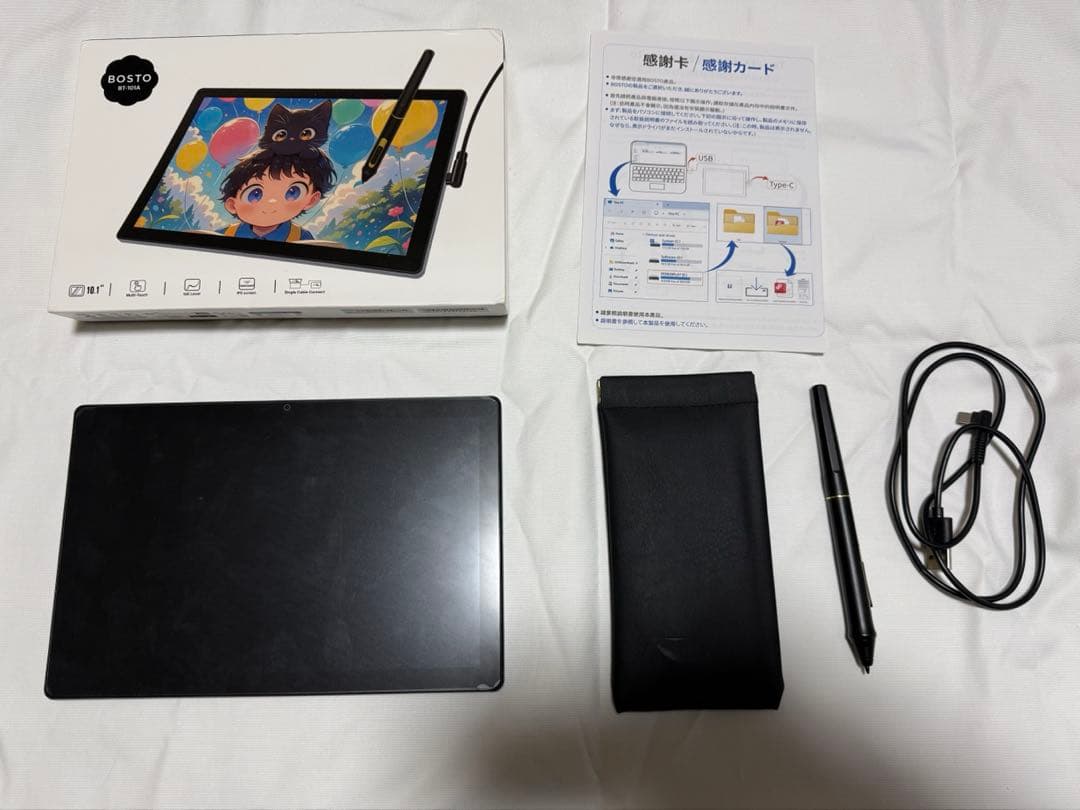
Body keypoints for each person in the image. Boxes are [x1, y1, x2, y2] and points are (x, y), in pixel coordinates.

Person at [218, 148, 335, 241]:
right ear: (232, 204)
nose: (272, 202)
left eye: (293, 192)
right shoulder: (225, 234)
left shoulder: (301, 238)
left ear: (311, 200)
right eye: (255, 194)